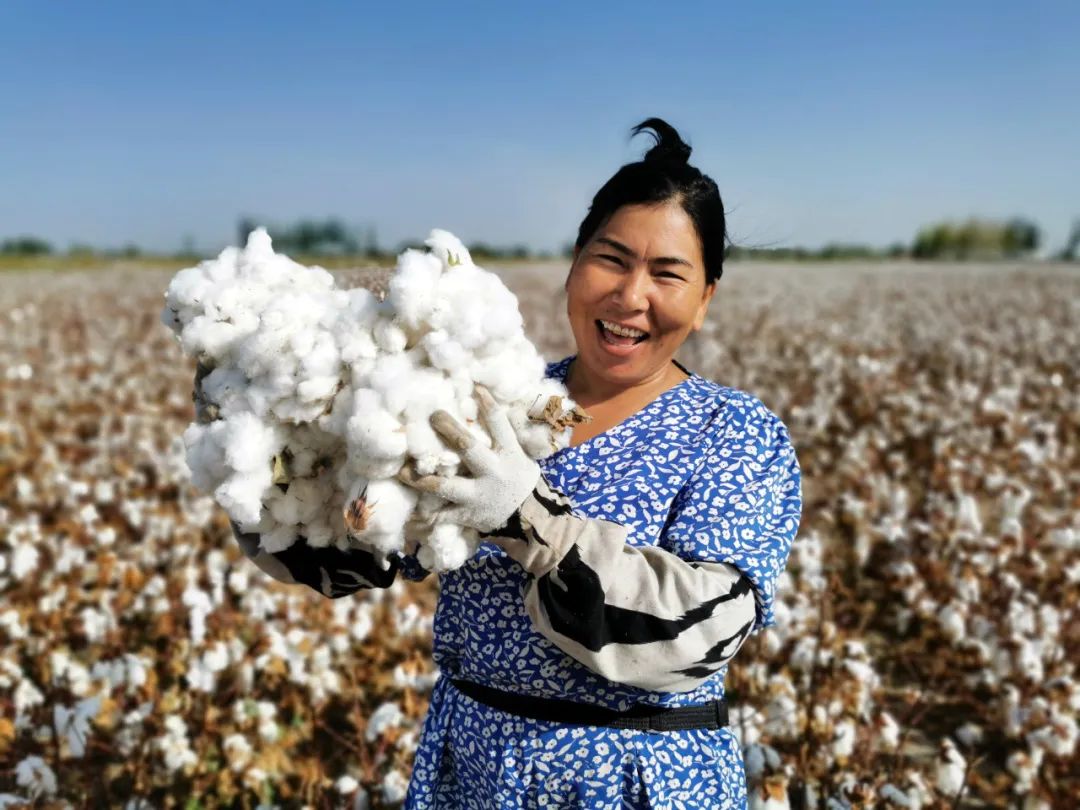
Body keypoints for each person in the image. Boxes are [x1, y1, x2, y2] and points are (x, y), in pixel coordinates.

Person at [213, 117, 802, 808]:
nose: (631, 296)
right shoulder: (484, 396)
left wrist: (529, 520)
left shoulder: (734, 435)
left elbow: (700, 629)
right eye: (611, 259)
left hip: (637, 781)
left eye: (667, 274)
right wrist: (268, 453)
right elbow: (354, 544)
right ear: (575, 264)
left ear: (703, 301)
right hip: (479, 769)